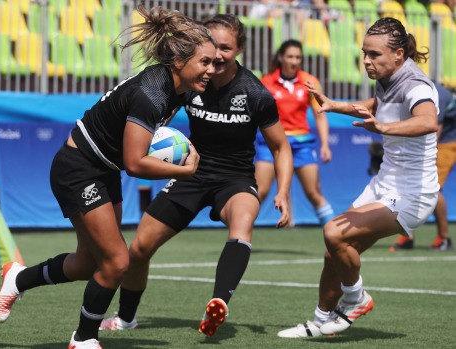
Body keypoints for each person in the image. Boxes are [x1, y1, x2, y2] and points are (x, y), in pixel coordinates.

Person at [0, 5, 217, 348]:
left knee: (87, 263)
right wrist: (184, 170)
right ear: (179, 63)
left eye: (214, 62)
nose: (211, 69)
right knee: (117, 262)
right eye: (205, 62)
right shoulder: (151, 95)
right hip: (78, 169)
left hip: (102, 170)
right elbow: (136, 163)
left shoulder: (180, 89)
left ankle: (18, 280)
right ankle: (83, 339)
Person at [98, 14, 293, 337]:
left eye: (226, 48)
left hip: (236, 179)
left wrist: (283, 192)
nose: (217, 55)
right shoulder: (189, 84)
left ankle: (218, 301)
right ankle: (125, 318)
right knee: (140, 248)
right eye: (213, 46)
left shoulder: (256, 94)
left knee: (243, 224)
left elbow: (280, 148)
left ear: (240, 49)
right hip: (191, 173)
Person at [278, 17, 440, 338]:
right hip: (385, 184)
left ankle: (356, 298)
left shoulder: (415, 85)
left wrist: (384, 128)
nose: (367, 60)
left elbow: (428, 121)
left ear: (398, 54)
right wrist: (334, 105)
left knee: (333, 232)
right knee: (333, 252)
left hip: (411, 193)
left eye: (374, 55)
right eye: (364, 53)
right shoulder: (388, 78)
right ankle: (321, 321)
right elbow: (378, 104)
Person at [257, 39, 335, 226]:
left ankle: (337, 233)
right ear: (281, 58)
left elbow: (320, 115)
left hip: (302, 144)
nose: (294, 61)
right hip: (271, 144)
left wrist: (325, 145)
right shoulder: (265, 82)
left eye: (298, 57)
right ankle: (238, 229)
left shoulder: (310, 82)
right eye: (290, 56)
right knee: (260, 191)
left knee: (314, 193)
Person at [389, 79, 455, 251]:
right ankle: (407, 236)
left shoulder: (436, 94)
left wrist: (427, 156)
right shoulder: (414, 89)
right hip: (427, 141)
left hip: (446, 143)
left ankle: (444, 238)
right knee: (409, 186)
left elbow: (434, 128)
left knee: (434, 188)